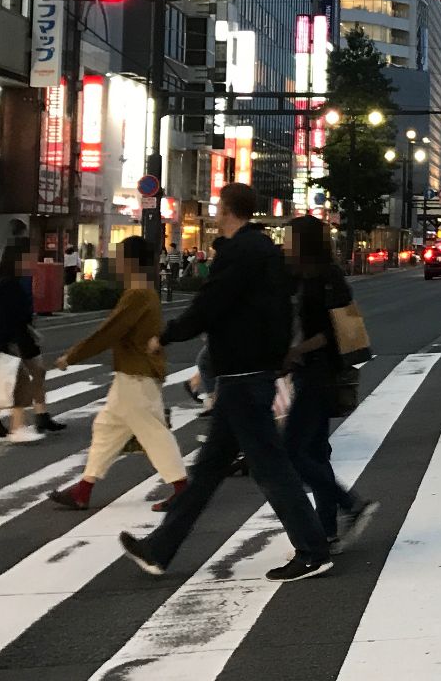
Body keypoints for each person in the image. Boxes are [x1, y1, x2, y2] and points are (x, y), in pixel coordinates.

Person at [119, 182, 333, 584]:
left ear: (226, 209)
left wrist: (165, 335)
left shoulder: (238, 253)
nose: (215, 211)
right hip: (251, 373)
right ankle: (160, 549)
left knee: (271, 469)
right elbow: (280, 309)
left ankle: (312, 550)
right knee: (208, 471)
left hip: (242, 375)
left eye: (218, 206)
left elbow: (209, 305)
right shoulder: (268, 254)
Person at [46, 235, 187, 511]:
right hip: (132, 374)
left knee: (153, 433)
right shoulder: (143, 291)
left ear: (132, 262)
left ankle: (182, 488)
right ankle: (83, 490)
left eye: (121, 257)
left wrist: (71, 357)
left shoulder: (138, 294)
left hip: (137, 375)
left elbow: (110, 331)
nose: (117, 262)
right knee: (107, 428)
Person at [279, 216, 381, 549]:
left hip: (321, 373)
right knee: (316, 452)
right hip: (311, 371)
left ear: (304, 242)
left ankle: (350, 503)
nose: (285, 242)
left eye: (289, 237)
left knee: (293, 451)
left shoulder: (325, 277)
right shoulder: (304, 274)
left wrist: (296, 351)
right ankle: (327, 529)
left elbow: (334, 332)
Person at [0, 246, 56, 446]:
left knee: (1, 384)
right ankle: (7, 428)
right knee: (11, 383)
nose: (31, 263)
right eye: (27, 259)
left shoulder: (8, 283)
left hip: (6, 340)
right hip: (6, 341)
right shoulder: (9, 285)